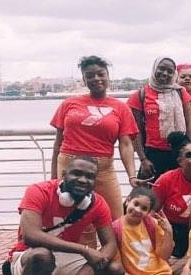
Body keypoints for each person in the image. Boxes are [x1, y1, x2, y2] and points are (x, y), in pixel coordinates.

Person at [50, 56, 140, 248]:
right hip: (69, 166)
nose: (96, 79)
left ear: (108, 77)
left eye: (101, 74)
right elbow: (58, 143)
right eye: (90, 76)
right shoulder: (68, 104)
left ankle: (116, 262)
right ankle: (84, 263)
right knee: (77, 220)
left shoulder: (120, 108)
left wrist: (132, 175)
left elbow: (125, 144)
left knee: (116, 220)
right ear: (84, 80)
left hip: (103, 168)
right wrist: (53, 178)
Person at [7, 157, 124, 275]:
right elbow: (30, 235)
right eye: (76, 173)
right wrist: (84, 250)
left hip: (66, 256)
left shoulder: (98, 203)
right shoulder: (39, 191)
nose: (83, 180)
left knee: (115, 269)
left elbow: (110, 244)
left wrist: (90, 267)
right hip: (29, 254)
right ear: (64, 174)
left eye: (89, 176)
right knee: (42, 256)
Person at [129, 57, 191, 178]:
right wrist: (143, 159)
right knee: (147, 193)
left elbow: (190, 122)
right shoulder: (140, 95)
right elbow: (135, 130)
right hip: (153, 153)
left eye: (170, 71)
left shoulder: (181, 92)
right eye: (161, 68)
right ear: (155, 68)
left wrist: (190, 150)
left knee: (178, 191)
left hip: (179, 151)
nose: (165, 73)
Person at [112, 187, 174, 275]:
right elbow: (117, 261)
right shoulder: (116, 228)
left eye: (144, 208)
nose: (137, 210)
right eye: (136, 204)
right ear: (128, 200)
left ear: (148, 212)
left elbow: (164, 256)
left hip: (160, 272)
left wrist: (169, 232)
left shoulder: (152, 224)